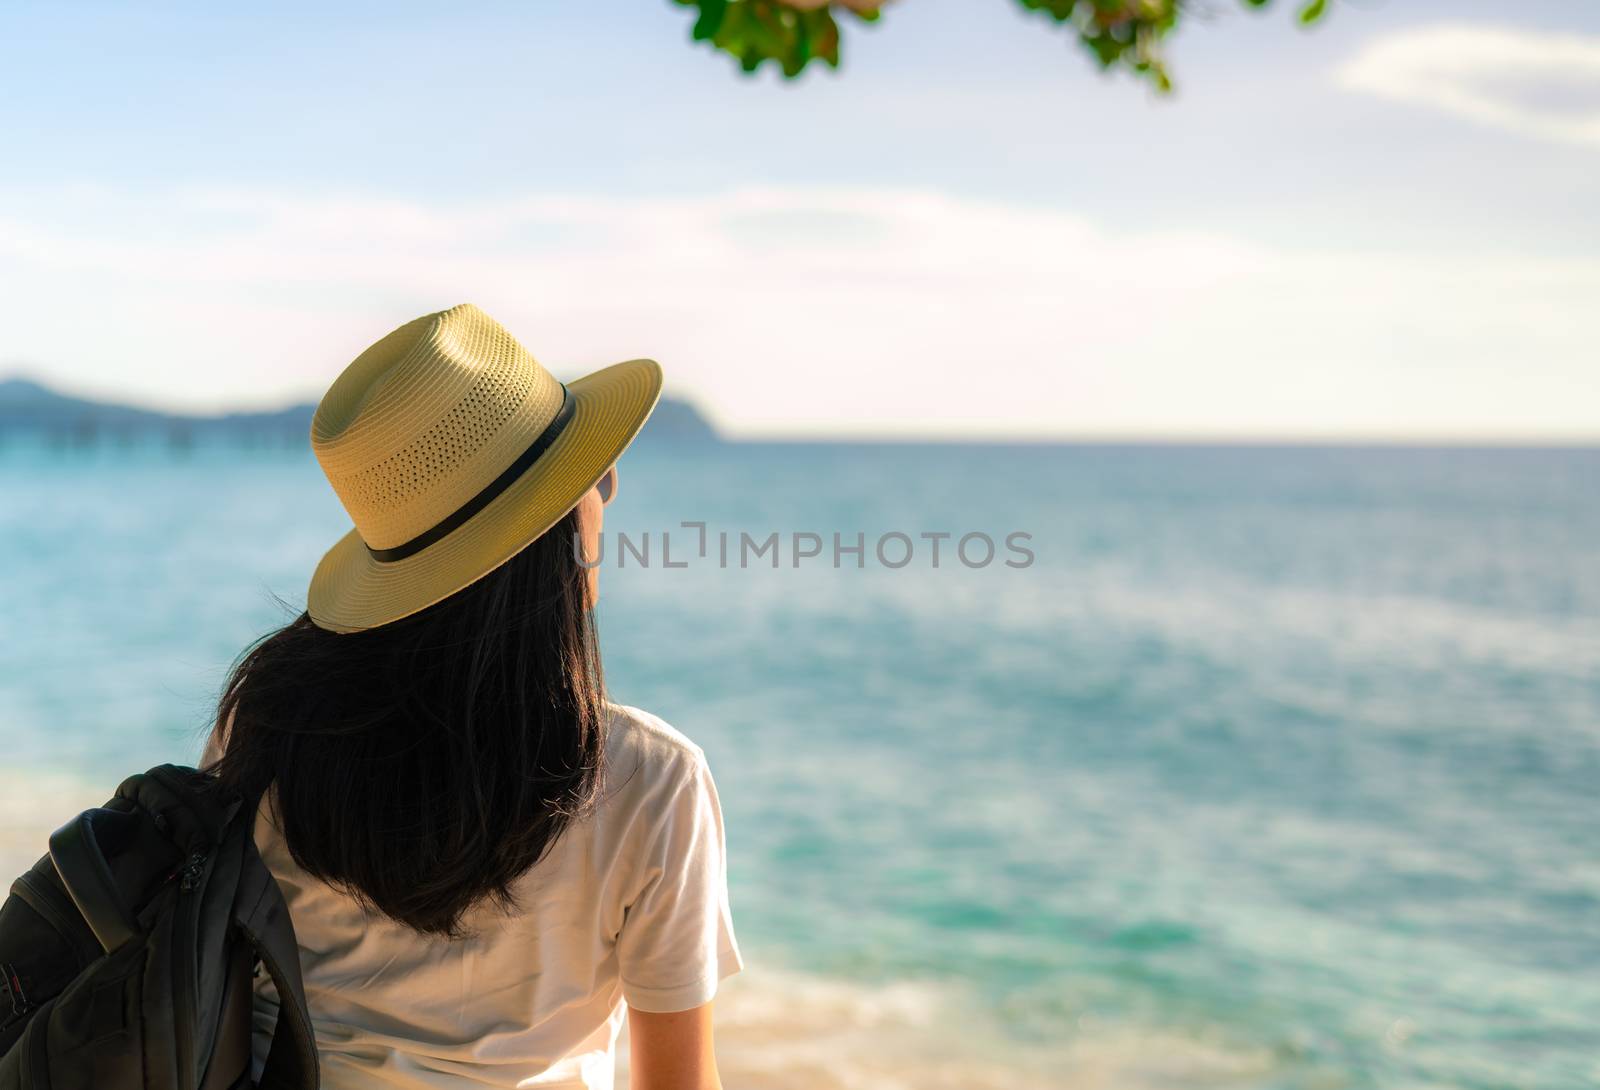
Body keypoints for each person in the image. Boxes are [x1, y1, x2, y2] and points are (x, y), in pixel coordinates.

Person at [202, 303, 742, 1090]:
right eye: (597, 476)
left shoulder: (267, 719)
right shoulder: (648, 779)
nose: (607, 497)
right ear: (549, 527)